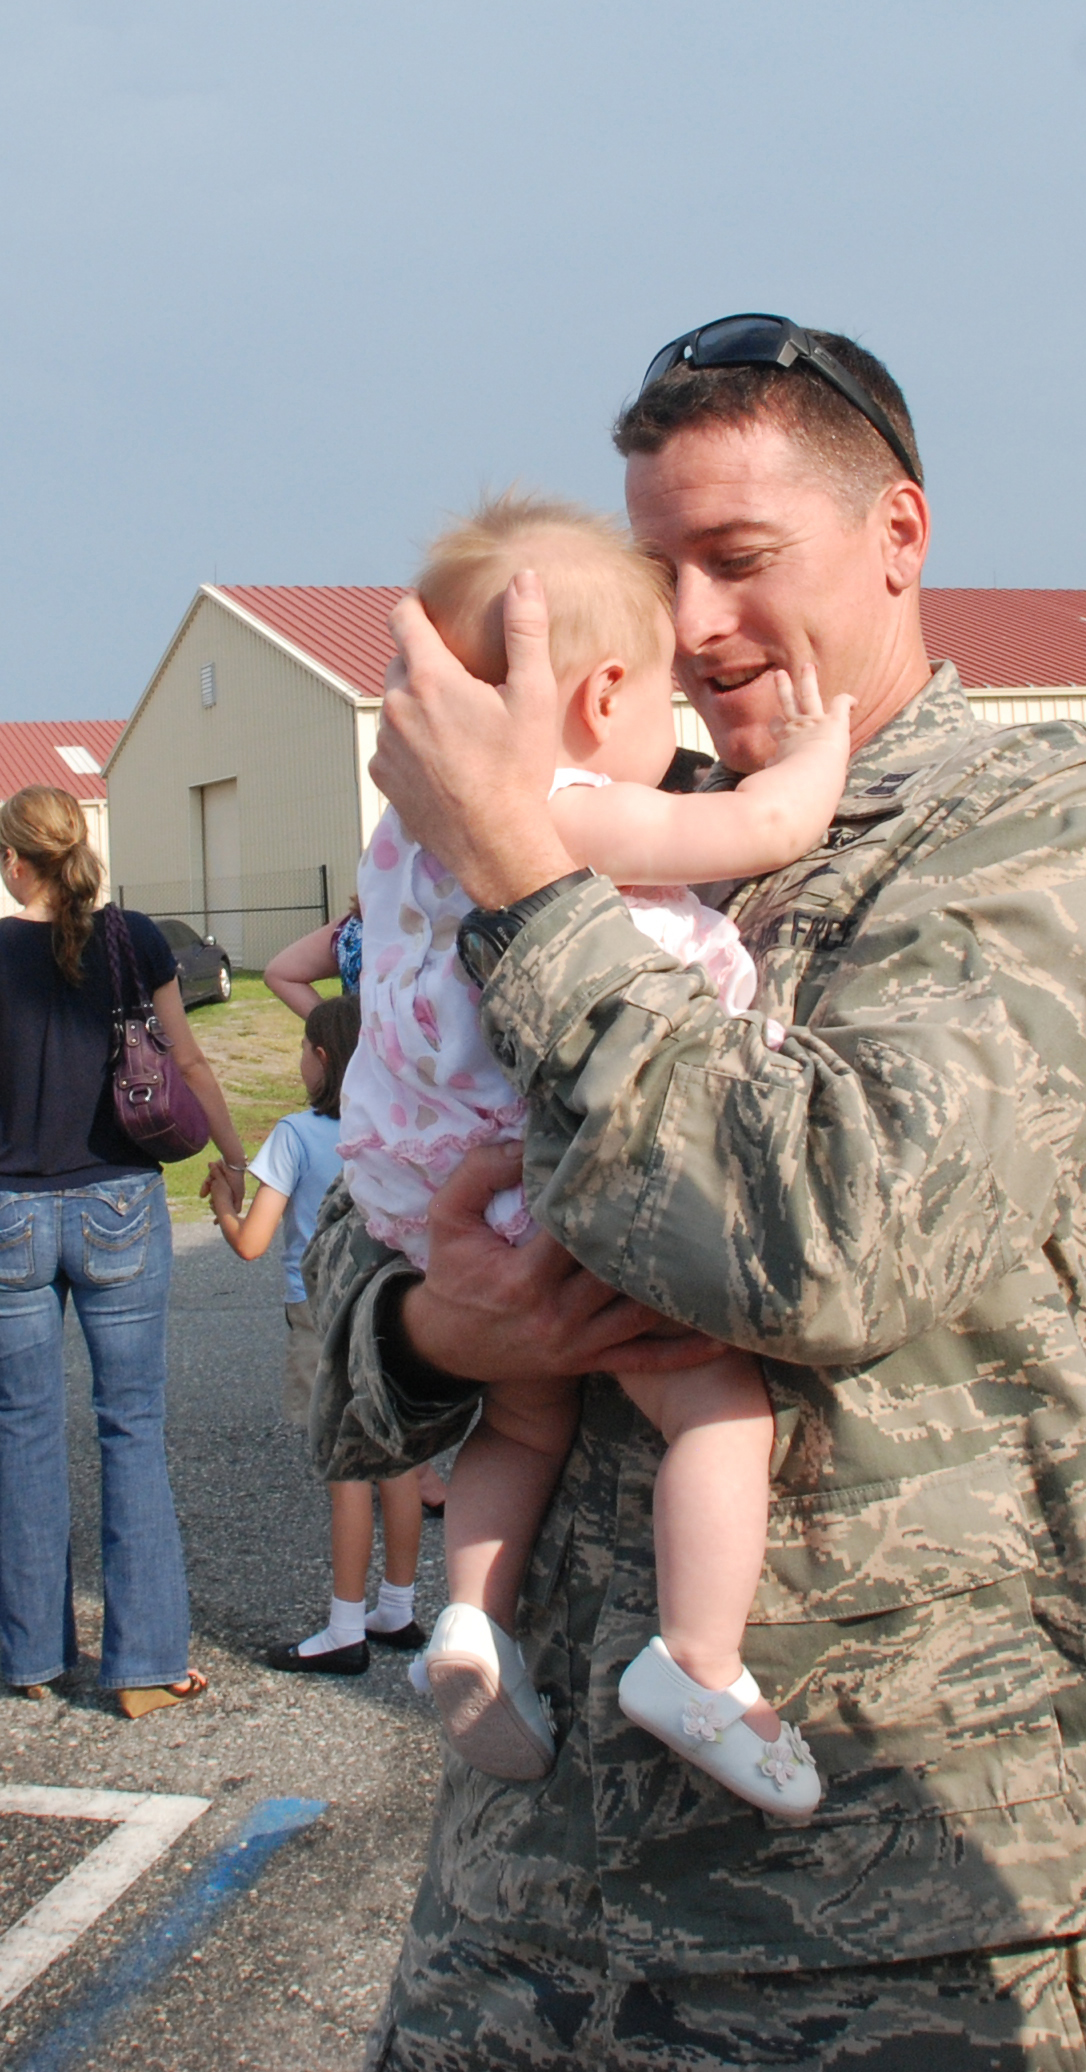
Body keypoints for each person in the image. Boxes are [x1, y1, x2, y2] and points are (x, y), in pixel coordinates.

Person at [308, 316, 1086, 2066]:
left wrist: (522, 867)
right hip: (526, 1915)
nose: (687, 624)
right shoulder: (615, 824)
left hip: (884, 1916)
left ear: (899, 534)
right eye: (653, 569)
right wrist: (447, 1318)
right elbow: (344, 1300)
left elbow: (834, 1235)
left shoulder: (1044, 827)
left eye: (741, 560)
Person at [344, 490, 849, 1816]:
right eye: (661, 700)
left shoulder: (405, 833)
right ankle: (700, 1660)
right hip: (567, 1179)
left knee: (527, 1407)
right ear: (603, 693)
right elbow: (755, 834)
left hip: (423, 1186)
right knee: (717, 1406)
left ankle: (468, 1620)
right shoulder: (561, 802)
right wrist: (814, 756)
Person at [0, 786, 245, 1717]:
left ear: (17, 861)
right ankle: (144, 1665)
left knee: (21, 1430)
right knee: (131, 1426)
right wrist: (232, 1155)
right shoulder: (132, 939)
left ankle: (29, 1656)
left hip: (12, 1214)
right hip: (118, 1204)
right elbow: (185, 1059)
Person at [204, 994, 427, 1673]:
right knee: (403, 1460)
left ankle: (343, 1626)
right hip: (395, 1308)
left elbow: (251, 1242)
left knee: (347, 1470)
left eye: (303, 1049)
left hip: (320, 1314)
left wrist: (221, 1204)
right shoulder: (397, 1127)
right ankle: (400, 1606)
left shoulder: (296, 1136)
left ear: (322, 1058)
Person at [263, 900, 449, 1522]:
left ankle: (395, 1440)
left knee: (372, 1248)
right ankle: (411, 1454)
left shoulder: (357, 930)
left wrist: (345, 1032)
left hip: (371, 1092)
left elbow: (280, 970)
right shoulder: (435, 918)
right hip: (427, 1096)